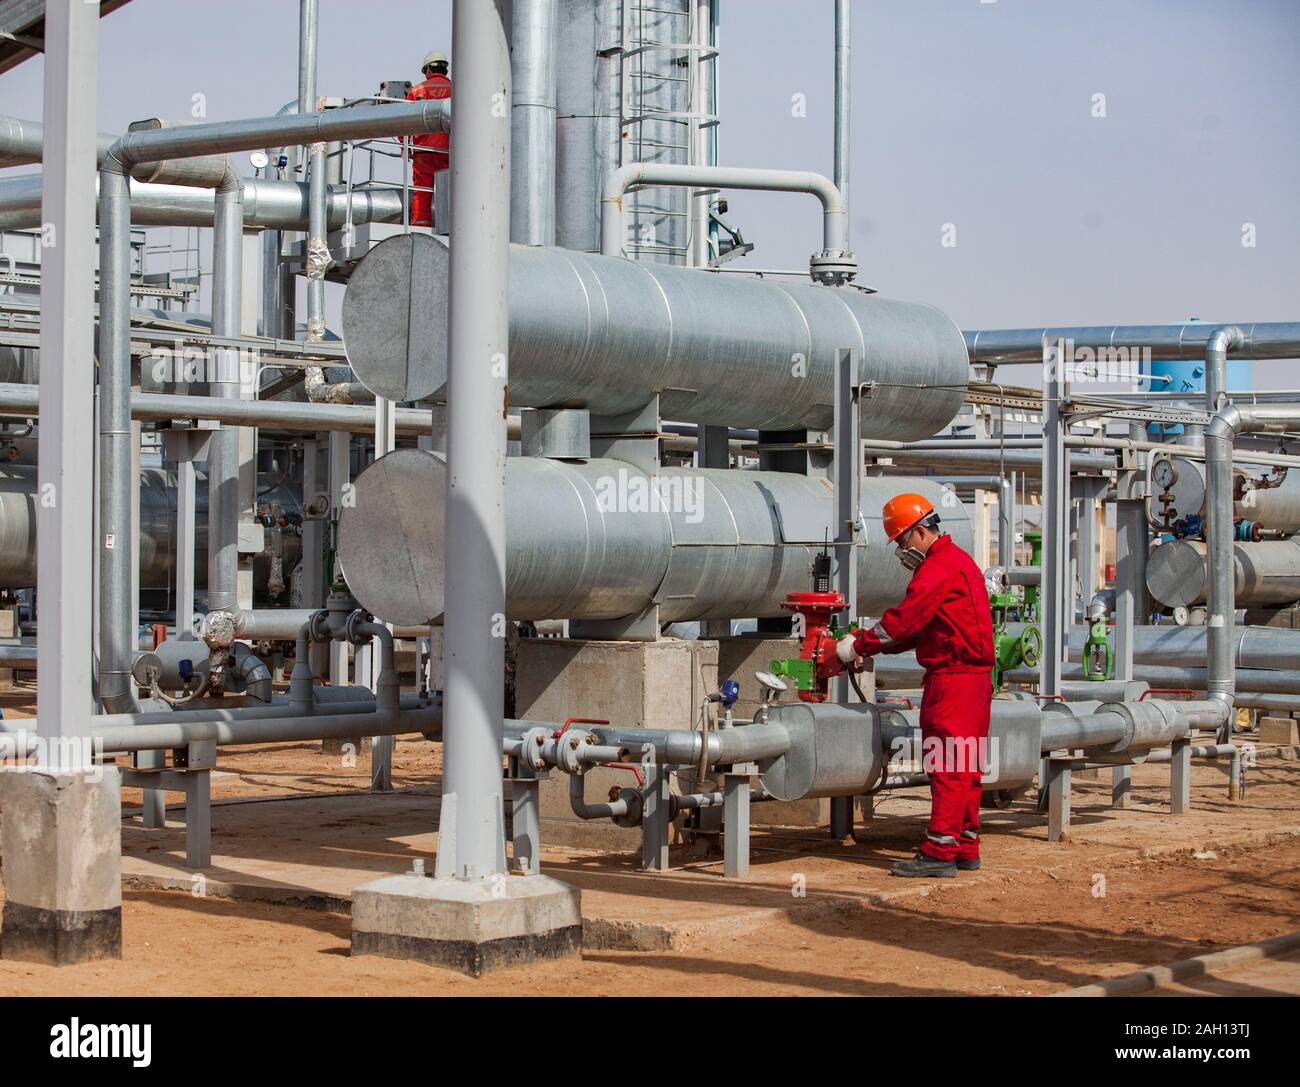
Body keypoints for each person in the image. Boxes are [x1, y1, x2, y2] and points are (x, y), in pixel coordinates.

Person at [837, 493, 995, 878]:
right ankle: (964, 845)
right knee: (967, 765)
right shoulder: (960, 563)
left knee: (946, 765)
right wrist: (875, 646)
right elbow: (924, 628)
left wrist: (856, 645)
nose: (903, 551)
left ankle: (939, 853)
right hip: (974, 681)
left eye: (903, 542)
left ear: (920, 531)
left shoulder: (937, 569)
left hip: (953, 680)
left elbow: (902, 622)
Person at [405, 50, 451, 226]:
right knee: (448, 192)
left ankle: (420, 226)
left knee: (422, 192)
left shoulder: (417, 91)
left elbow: (402, 121)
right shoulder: (457, 89)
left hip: (423, 153)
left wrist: (406, 147)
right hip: (448, 153)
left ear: (428, 70)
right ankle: (447, 227)